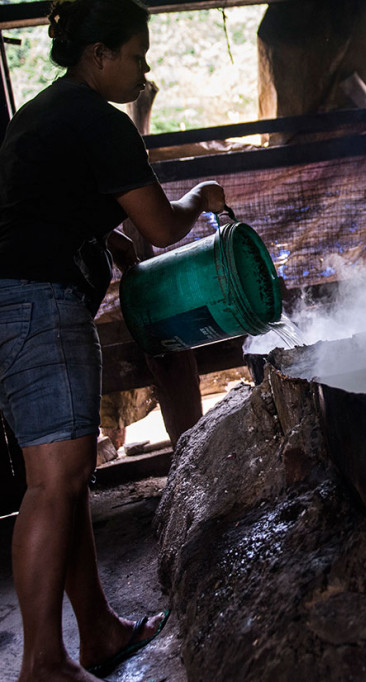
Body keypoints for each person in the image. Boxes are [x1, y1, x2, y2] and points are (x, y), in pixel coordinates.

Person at [0, 0, 226, 679]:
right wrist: (203, 196)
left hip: (14, 303)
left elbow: (50, 206)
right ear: (98, 54)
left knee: (65, 481)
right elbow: (161, 224)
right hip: (37, 303)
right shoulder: (102, 124)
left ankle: (96, 629)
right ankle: (43, 662)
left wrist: (109, 240)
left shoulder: (39, 115)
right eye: (136, 52)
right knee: (52, 485)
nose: (144, 66)